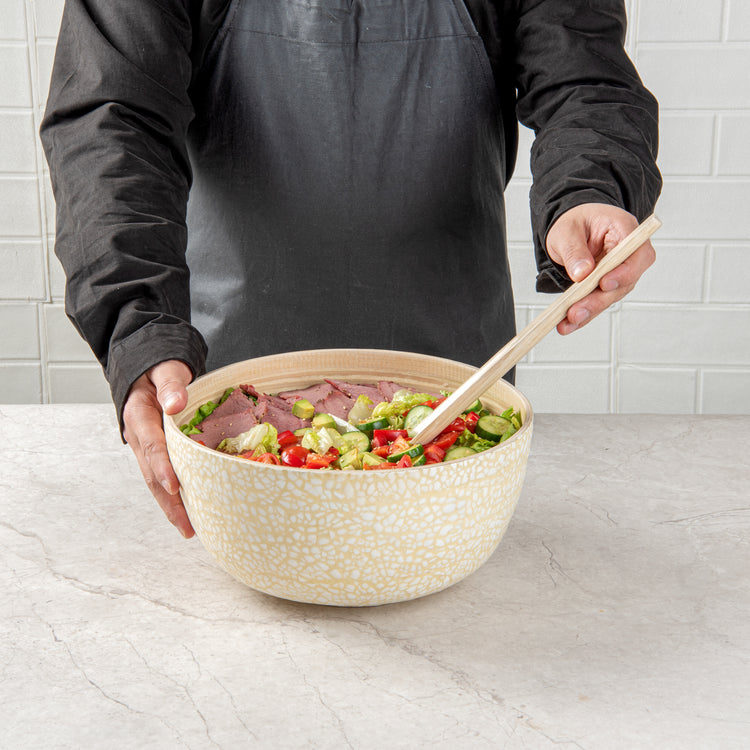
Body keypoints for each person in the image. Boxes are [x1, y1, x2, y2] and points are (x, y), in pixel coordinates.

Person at [41, 0, 662, 538]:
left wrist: (589, 188)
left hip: (456, 391)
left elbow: (583, 76)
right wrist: (139, 325)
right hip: (222, 392)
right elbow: (112, 114)